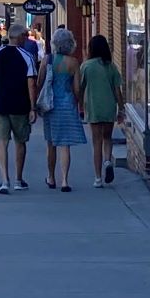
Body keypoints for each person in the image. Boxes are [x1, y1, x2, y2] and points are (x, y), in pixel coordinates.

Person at [0, 22, 37, 194]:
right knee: (20, 142)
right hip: (20, 105)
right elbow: (31, 84)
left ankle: (4, 180)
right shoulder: (26, 56)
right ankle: (18, 179)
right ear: (20, 37)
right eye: (25, 35)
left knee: (2, 141)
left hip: (0, 104)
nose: (27, 38)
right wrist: (33, 108)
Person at [37, 28, 86, 192]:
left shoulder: (47, 59)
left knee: (51, 143)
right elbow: (77, 88)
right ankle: (65, 180)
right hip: (67, 104)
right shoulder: (73, 63)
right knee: (65, 144)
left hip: (50, 105)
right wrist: (79, 103)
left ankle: (51, 177)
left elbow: (40, 82)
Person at [77, 34, 124, 188]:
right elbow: (117, 90)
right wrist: (121, 108)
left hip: (94, 106)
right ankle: (108, 161)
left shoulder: (86, 66)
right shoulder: (111, 67)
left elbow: (80, 88)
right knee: (107, 138)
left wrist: (79, 105)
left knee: (96, 142)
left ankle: (98, 178)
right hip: (109, 106)